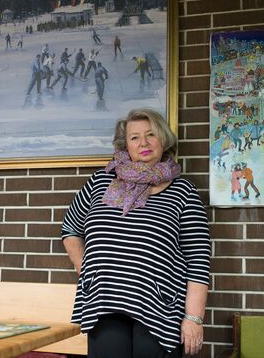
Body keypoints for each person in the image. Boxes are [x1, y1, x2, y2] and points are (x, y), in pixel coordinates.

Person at [62, 109, 211, 358]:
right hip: (104, 303)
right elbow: (71, 229)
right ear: (126, 145)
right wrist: (85, 268)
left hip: (159, 308)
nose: (143, 143)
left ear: (163, 140)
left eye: (151, 134)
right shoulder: (101, 181)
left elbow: (198, 260)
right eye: (134, 137)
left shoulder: (183, 191)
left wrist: (194, 318)